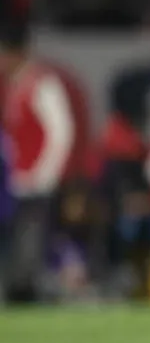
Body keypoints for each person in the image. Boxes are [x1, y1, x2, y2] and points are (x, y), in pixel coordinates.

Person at [0, 23, 90, 303]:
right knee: (20, 241)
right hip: (19, 181)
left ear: (16, 54)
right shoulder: (14, 87)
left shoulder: (42, 84)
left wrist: (45, 174)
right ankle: (19, 289)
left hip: (39, 181)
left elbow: (61, 130)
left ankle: (34, 291)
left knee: (35, 241)